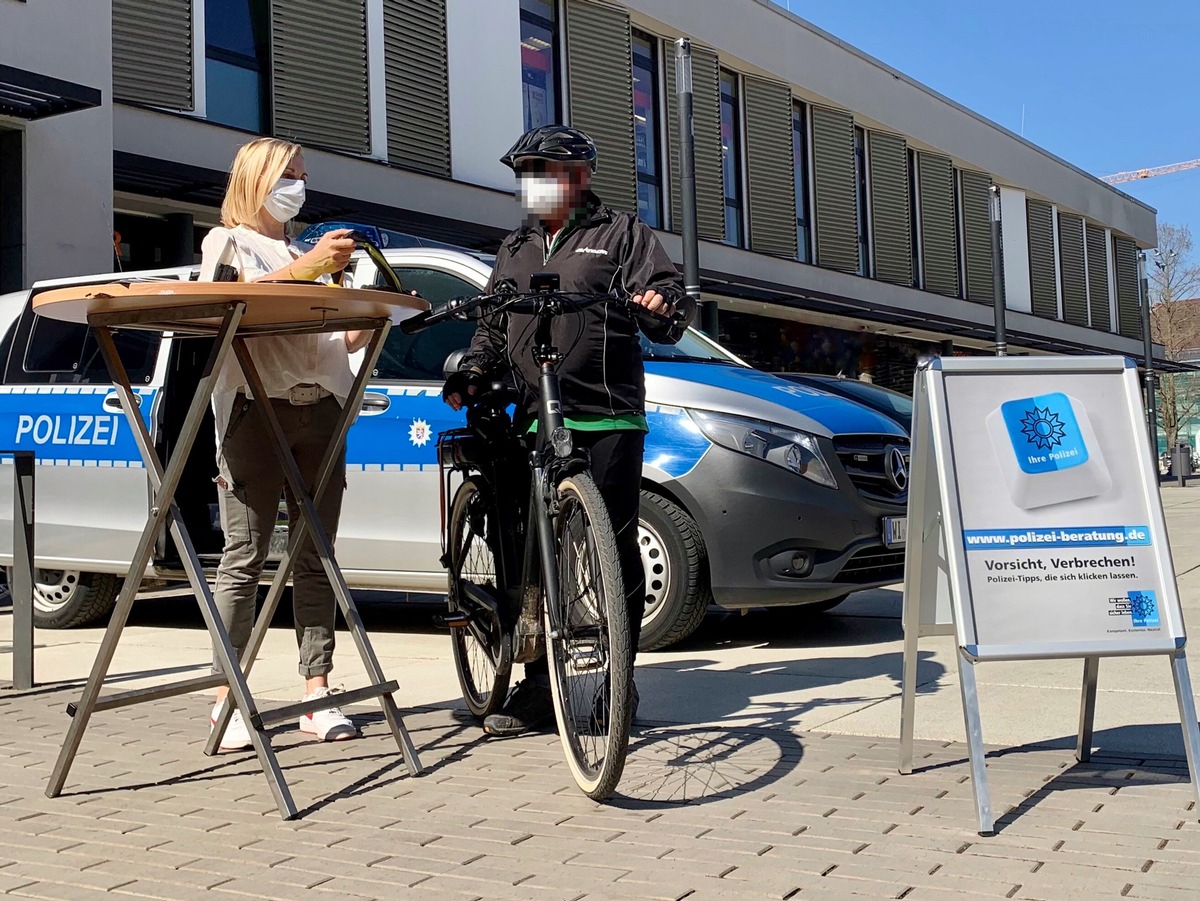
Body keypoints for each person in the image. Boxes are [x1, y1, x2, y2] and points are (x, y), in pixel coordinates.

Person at [442, 126, 695, 737]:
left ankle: (619, 683)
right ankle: (537, 689)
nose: (534, 184)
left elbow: (669, 301)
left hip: (606, 412)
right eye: (526, 172)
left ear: (579, 176)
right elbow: (495, 327)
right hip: (535, 415)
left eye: (545, 170)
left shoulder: (622, 233)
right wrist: (475, 366)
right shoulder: (515, 246)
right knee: (530, 554)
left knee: (615, 543)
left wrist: (660, 303)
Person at [199, 137, 369, 750]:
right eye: (288, 175)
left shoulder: (302, 249)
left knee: (316, 553)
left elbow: (333, 345)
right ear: (257, 179)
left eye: (302, 175)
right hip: (254, 407)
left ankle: (316, 692)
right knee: (244, 555)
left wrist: (360, 311)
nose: (298, 185)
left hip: (319, 408)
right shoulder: (229, 242)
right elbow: (236, 307)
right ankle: (228, 696)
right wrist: (313, 268)